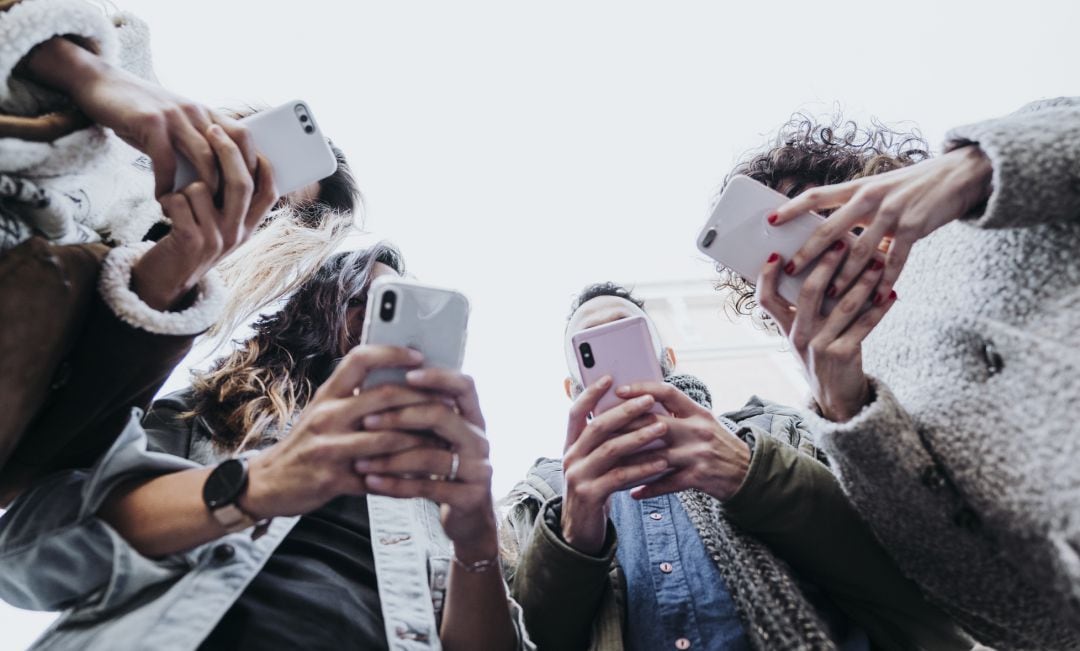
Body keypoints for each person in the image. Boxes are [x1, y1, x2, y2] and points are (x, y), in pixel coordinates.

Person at [0, 244, 532, 651]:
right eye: (364, 304)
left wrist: (477, 549)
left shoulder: (441, 487)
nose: (380, 328)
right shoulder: (210, 412)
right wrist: (261, 483)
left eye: (399, 311)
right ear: (315, 313)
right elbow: (27, 556)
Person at [716, 103, 1080, 649]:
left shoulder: (993, 198)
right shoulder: (860, 386)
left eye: (809, 207)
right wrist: (849, 413)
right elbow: (1001, 611)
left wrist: (982, 165)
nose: (809, 242)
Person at [0, 0, 358, 501]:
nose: (246, 195)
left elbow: (36, 471)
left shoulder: (166, 310)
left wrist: (167, 278)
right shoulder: (120, 60)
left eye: (273, 208)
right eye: (251, 162)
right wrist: (86, 76)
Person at [499, 282, 970, 651]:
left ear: (668, 358)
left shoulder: (775, 430)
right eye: (590, 349)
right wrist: (574, 535)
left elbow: (900, 573)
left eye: (626, 333)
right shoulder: (543, 498)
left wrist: (752, 474)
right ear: (571, 388)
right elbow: (531, 639)